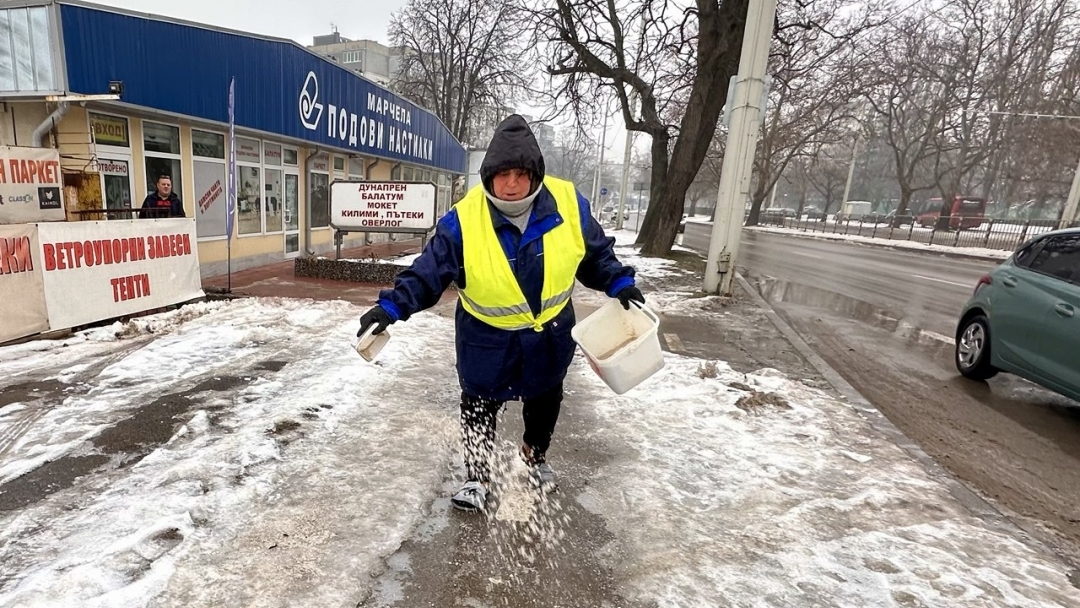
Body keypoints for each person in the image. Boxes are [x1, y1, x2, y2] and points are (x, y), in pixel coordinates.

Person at [356, 114, 644, 513]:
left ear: (535, 175)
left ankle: (534, 456)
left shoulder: (568, 204)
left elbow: (595, 255)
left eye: (521, 174)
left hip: (549, 332)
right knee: (478, 405)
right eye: (502, 174)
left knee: (545, 400)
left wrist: (618, 282)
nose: (511, 184)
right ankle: (477, 477)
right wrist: (390, 307)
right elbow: (428, 271)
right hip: (486, 336)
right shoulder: (463, 219)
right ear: (489, 176)